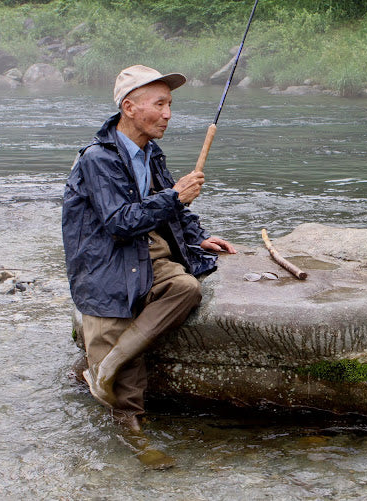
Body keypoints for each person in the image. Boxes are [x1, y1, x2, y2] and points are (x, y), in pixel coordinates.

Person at [62, 65, 236, 435]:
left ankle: (105, 366)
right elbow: (120, 222)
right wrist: (175, 196)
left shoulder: (151, 152)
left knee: (187, 288)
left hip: (146, 250)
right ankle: (134, 437)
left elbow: (170, 208)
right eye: (159, 104)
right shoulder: (98, 158)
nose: (168, 114)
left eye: (169, 104)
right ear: (129, 107)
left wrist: (197, 236)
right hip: (105, 262)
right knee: (123, 397)